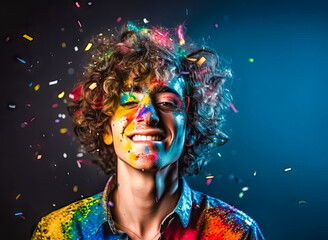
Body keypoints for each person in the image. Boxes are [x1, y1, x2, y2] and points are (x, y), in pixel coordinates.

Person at [32, 22, 265, 240]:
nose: (147, 115)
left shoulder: (235, 233)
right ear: (106, 128)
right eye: (130, 102)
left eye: (166, 103)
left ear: (192, 128)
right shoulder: (59, 232)